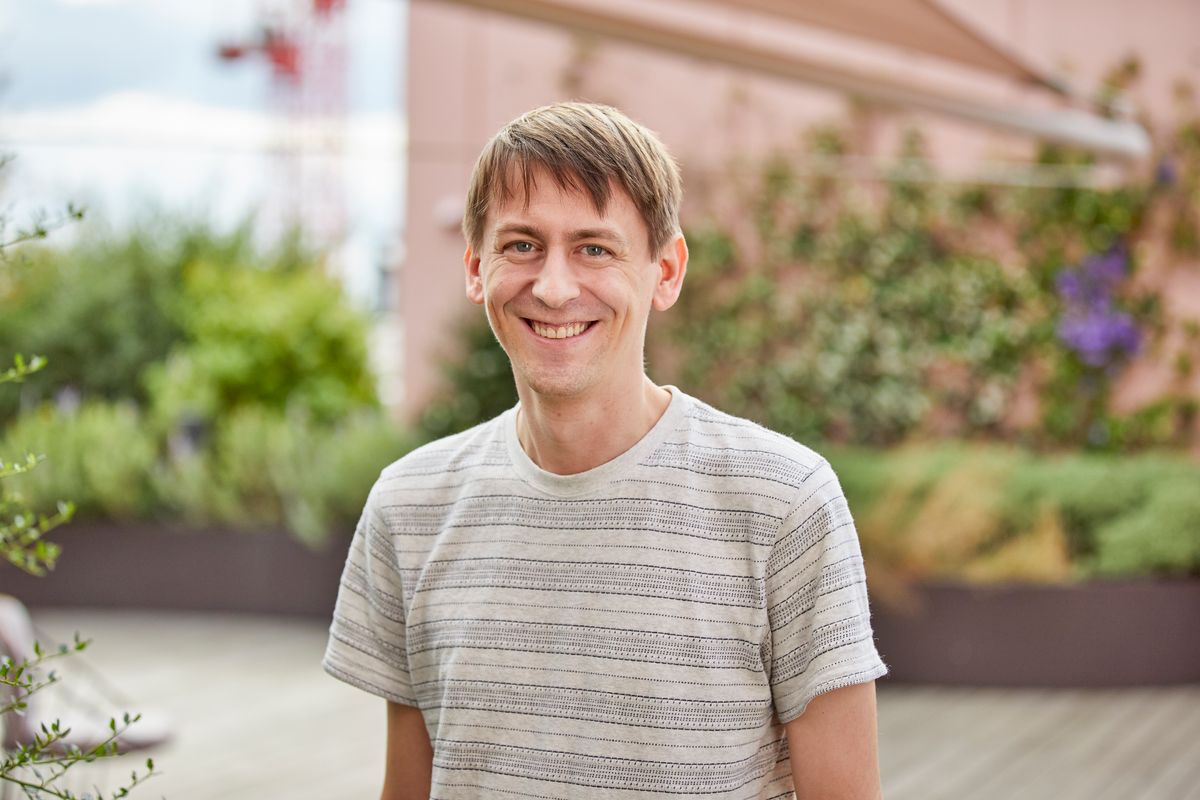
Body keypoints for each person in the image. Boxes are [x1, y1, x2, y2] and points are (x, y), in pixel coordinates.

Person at [324, 102, 888, 800]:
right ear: (476, 268)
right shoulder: (409, 507)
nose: (555, 287)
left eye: (594, 248)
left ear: (667, 270)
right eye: (521, 245)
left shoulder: (784, 501)